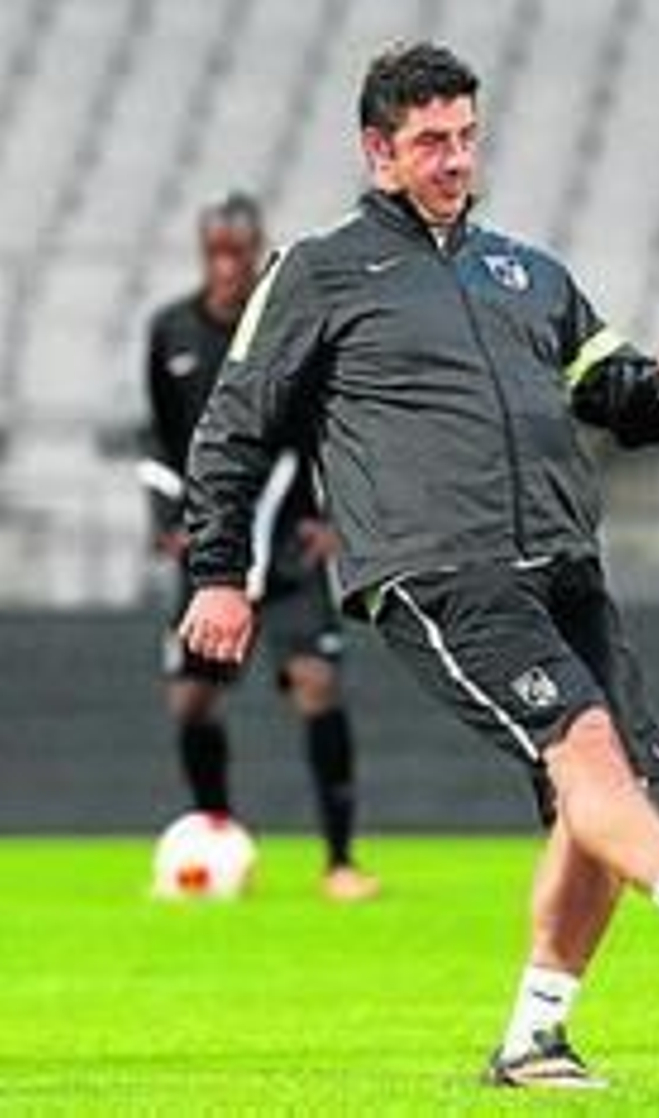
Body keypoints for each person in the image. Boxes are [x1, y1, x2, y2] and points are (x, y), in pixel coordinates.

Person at [177, 43, 659, 1089]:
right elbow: (233, 425)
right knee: (587, 745)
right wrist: (217, 569)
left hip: (563, 559)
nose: (456, 159)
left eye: (466, 137)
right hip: (437, 565)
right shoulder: (318, 269)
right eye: (431, 141)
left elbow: (617, 391)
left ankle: (533, 1039)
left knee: (602, 796)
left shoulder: (529, 271)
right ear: (378, 150)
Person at [140, 193, 378, 903]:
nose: (225, 266)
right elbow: (158, 437)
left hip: (289, 552)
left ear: (255, 252)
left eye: (237, 253)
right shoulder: (171, 330)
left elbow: (336, 424)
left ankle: (340, 861)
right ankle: (218, 833)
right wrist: (165, 516)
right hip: (212, 552)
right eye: (213, 252)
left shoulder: (289, 327)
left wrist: (341, 515)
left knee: (316, 685)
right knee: (190, 702)